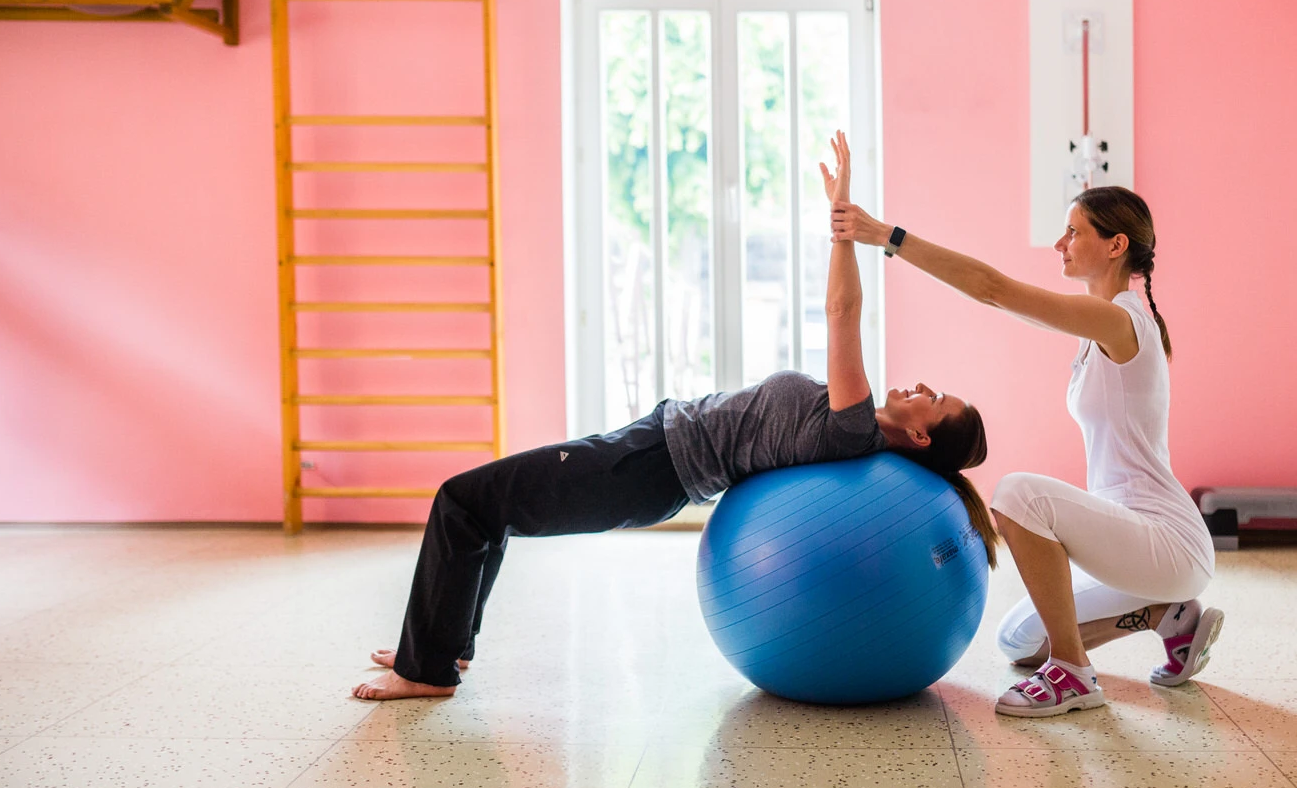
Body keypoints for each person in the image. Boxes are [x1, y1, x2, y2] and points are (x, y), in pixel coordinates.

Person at [353, 131, 997, 700]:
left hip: (649, 467)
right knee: (488, 507)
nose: (922, 387)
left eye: (935, 399)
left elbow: (841, 313)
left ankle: (428, 670)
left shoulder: (852, 425)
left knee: (465, 500)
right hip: (650, 451)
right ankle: (443, 648)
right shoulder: (854, 426)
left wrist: (844, 227)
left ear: (920, 435)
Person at [830, 186, 1220, 718]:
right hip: (1132, 540)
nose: (1060, 243)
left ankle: (1074, 674)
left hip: (1166, 538)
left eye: (1074, 232)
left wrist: (885, 236)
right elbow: (995, 296)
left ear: (1116, 246)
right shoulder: (1097, 324)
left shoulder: (1121, 321)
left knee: (1017, 494)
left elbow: (991, 289)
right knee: (1018, 640)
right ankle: (1168, 617)